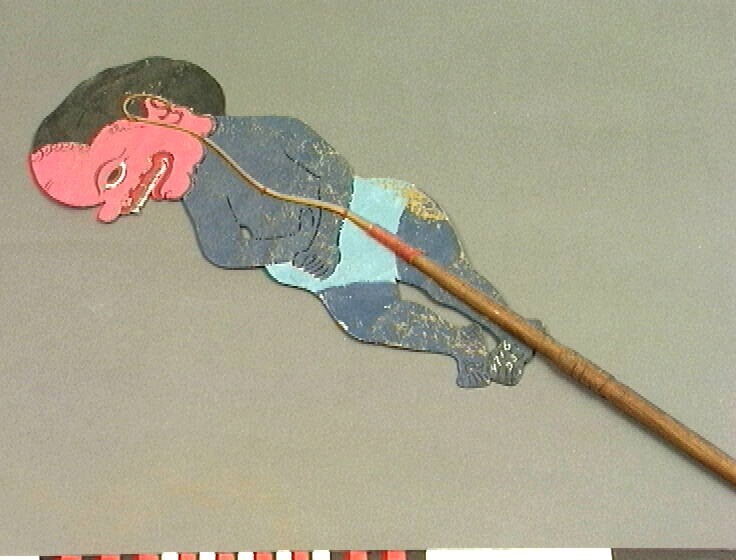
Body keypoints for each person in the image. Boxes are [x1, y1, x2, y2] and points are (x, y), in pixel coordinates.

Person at [29, 57, 536, 388]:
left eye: (114, 176)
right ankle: (463, 346)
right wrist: (287, 250)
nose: (116, 207)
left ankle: (515, 334)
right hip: (332, 272)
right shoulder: (201, 193)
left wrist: (323, 235)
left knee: (445, 280)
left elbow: (330, 171)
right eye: (104, 203)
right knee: (369, 320)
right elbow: (224, 250)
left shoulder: (259, 134)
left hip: (385, 219)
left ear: (155, 110)